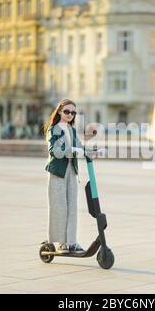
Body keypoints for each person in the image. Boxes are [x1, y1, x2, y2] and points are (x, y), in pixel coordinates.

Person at [43, 99, 88, 254]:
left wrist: (92, 152)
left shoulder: (72, 130)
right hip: (58, 172)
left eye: (73, 112)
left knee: (73, 207)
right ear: (60, 111)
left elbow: (80, 147)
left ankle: (72, 242)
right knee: (60, 207)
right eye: (67, 111)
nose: (70, 115)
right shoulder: (53, 130)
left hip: (72, 170)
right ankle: (62, 243)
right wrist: (72, 150)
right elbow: (54, 151)